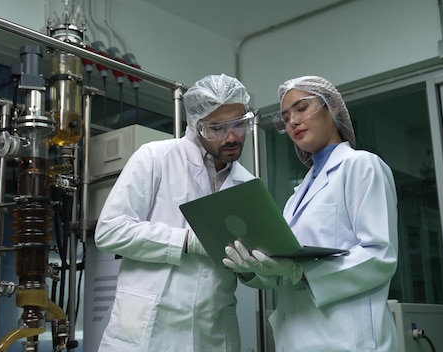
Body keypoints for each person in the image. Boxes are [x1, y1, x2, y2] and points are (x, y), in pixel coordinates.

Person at [223, 75, 399, 351]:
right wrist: (250, 269)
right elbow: (281, 275)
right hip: (296, 338)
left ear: (334, 109)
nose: (292, 121)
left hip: (349, 340)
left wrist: (300, 272)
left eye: (302, 108)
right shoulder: (298, 194)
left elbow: (379, 257)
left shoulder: (361, 166)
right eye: (285, 117)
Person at [94, 73, 256, 352]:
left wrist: (253, 268)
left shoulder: (249, 185)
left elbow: (254, 271)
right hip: (149, 331)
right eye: (216, 129)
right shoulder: (155, 157)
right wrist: (186, 242)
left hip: (213, 333)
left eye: (240, 125)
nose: (231, 137)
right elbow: (110, 231)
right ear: (195, 126)